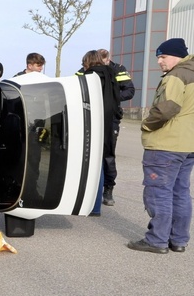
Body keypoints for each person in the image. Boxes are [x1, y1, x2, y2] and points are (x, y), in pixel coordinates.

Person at [128, 38, 194, 254]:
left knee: (159, 192)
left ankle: (156, 240)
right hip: (188, 145)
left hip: (166, 145)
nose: (159, 61)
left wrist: (146, 124)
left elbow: (167, 108)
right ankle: (178, 240)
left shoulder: (176, 76)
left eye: (163, 56)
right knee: (180, 192)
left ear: (177, 56)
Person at [76, 50, 121, 217]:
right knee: (101, 163)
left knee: (91, 165)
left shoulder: (90, 76)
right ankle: (96, 207)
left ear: (87, 62)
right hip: (108, 124)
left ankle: (90, 205)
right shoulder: (111, 74)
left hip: (92, 124)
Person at [97, 49, 136, 206]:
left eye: (103, 62)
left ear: (108, 60)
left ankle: (108, 189)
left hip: (111, 117)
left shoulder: (118, 69)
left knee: (108, 154)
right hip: (92, 117)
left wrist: (111, 98)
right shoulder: (89, 68)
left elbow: (130, 91)